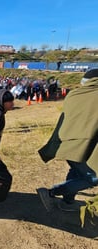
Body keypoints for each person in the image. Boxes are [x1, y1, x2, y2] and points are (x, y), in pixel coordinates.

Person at [37, 68, 98, 212]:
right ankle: (52, 192)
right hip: (86, 144)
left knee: (76, 171)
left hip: (66, 143)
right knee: (94, 177)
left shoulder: (74, 94)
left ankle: (68, 201)